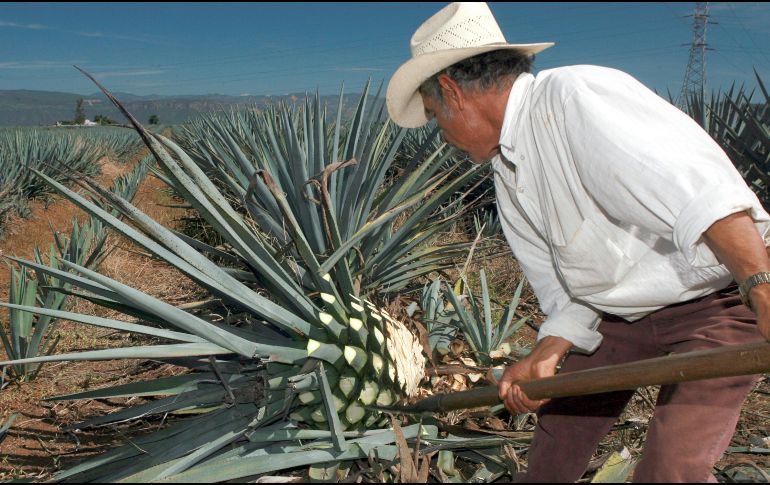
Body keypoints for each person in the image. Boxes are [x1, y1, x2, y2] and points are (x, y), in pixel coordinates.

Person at [386, 2, 770, 482]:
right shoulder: (507, 173)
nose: (442, 135)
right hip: (619, 318)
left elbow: (701, 195)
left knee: (671, 468)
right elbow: (565, 289)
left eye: (434, 117)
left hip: (718, 302)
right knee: (554, 452)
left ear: (451, 91)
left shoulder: (575, 97)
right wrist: (544, 355)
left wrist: (761, 287)